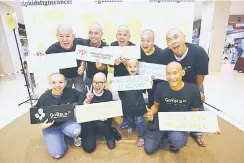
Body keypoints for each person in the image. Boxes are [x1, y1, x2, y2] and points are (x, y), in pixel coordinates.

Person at [144, 62, 220, 154]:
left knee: (177, 142)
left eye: (175, 73)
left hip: (179, 123)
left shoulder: (193, 89)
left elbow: (195, 113)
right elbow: (156, 106)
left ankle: (173, 139)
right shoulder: (160, 87)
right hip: (161, 120)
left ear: (182, 73)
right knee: (149, 148)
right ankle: (163, 135)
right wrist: (151, 112)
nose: (171, 77)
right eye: (168, 73)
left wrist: (210, 126)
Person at [164, 28, 209, 147]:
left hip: (194, 82)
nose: (173, 42)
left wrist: (196, 92)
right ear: (168, 45)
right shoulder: (166, 54)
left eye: (176, 37)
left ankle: (197, 132)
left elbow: (201, 75)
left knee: (197, 104)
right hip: (176, 83)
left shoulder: (199, 53)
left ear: (184, 37)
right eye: (169, 40)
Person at [35, 73, 86, 159]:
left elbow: (82, 95)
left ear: (65, 83)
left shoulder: (71, 92)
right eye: (54, 82)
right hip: (51, 127)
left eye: (60, 82)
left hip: (67, 122)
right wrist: (42, 124)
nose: (57, 85)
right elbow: (36, 113)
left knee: (76, 130)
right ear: (49, 83)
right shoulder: (44, 98)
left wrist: (79, 105)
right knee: (57, 154)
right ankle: (62, 137)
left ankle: (69, 135)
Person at [37, 24, 86, 93]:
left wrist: (82, 65)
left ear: (73, 36)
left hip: (78, 75)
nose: (65, 39)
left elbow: (91, 48)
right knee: (65, 94)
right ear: (57, 37)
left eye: (68, 36)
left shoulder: (80, 42)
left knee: (81, 92)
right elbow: (44, 59)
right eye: (61, 36)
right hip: (64, 76)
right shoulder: (53, 48)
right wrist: (40, 55)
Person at [81, 72, 117, 153]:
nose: (97, 85)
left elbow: (110, 111)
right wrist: (87, 100)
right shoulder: (85, 92)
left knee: (104, 122)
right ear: (92, 82)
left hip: (103, 123)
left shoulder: (108, 94)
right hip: (89, 123)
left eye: (100, 83)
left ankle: (109, 135)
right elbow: (80, 111)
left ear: (105, 84)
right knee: (89, 148)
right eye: (95, 82)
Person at [110, 25, 136, 129]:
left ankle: (133, 118)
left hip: (131, 78)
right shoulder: (113, 45)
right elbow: (109, 64)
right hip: (119, 77)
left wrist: (128, 64)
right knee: (123, 98)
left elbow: (137, 66)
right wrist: (114, 62)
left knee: (132, 98)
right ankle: (125, 118)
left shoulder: (133, 47)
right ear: (116, 36)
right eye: (119, 35)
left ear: (129, 36)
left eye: (125, 35)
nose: (122, 37)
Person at [119, 59, 147, 147]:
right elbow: (120, 92)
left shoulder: (141, 78)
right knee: (130, 119)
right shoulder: (123, 79)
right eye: (130, 66)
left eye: (135, 66)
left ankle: (142, 136)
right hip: (127, 105)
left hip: (139, 106)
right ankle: (132, 127)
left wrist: (149, 82)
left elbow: (144, 90)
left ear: (138, 67)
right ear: (127, 67)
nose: (132, 68)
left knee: (140, 121)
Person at [139, 29, 168, 108]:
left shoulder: (161, 54)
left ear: (153, 41)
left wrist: (157, 78)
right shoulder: (137, 52)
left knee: (157, 104)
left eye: (148, 41)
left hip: (158, 85)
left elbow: (165, 74)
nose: (144, 44)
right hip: (144, 83)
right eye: (142, 40)